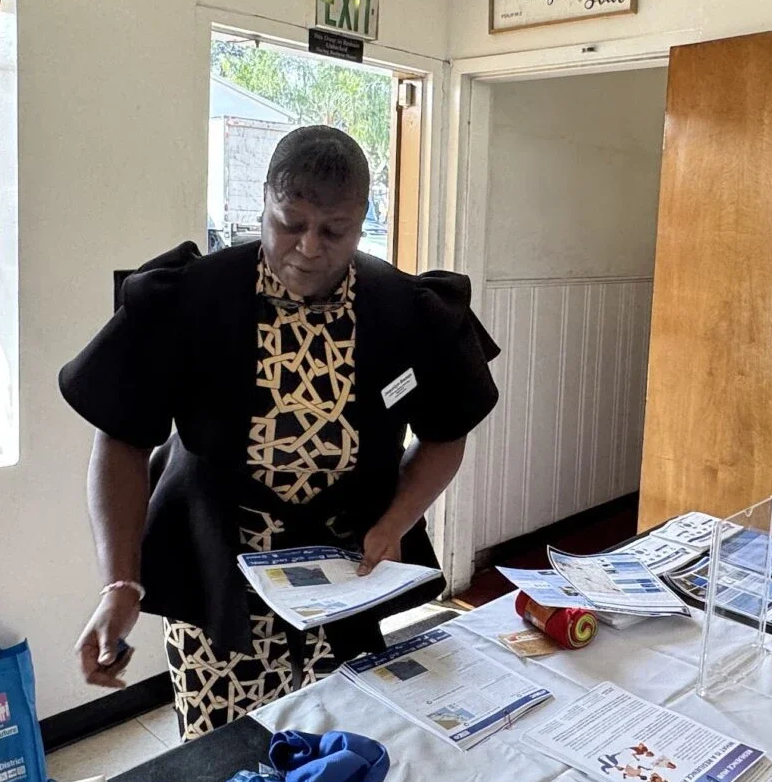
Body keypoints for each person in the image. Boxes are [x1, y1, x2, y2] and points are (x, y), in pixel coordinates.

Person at [59, 126, 500, 739]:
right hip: (217, 576)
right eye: (290, 222)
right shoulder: (192, 298)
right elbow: (121, 439)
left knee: (336, 750)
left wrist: (395, 522)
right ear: (262, 200)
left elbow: (448, 432)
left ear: (362, 220)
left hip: (343, 577)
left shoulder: (403, 308)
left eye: (334, 230)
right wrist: (121, 582)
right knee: (225, 755)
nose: (309, 247)